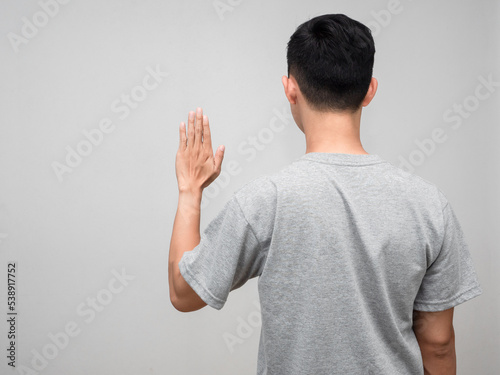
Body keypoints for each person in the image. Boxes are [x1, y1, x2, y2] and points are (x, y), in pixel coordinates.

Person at [168, 13, 483, 375]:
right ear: (369, 90)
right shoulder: (430, 205)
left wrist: (190, 190)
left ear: (290, 89)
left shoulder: (265, 200)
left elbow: (183, 292)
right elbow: (438, 344)